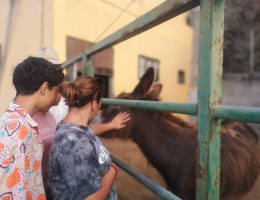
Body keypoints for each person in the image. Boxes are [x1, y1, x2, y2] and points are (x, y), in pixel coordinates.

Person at [0, 56, 64, 199]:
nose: (56, 98)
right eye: (55, 91)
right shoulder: (17, 129)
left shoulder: (17, 122)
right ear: (44, 87)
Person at [48, 76, 120, 200]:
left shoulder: (71, 128)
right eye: (99, 105)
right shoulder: (74, 144)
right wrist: (112, 171)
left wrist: (111, 125)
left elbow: (88, 131)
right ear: (93, 104)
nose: (98, 112)